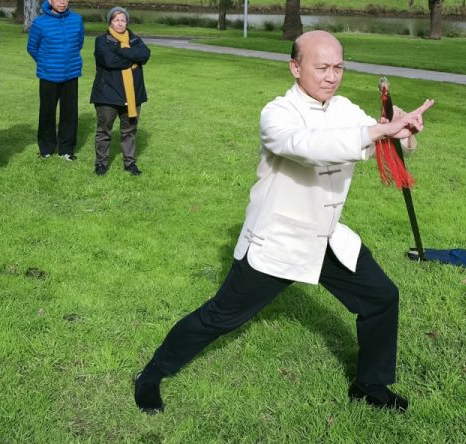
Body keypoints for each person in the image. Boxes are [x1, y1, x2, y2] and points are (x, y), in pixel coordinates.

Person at [133, 30, 434, 414]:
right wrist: (378, 130)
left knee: (381, 297)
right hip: (277, 241)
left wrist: (404, 134)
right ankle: (153, 373)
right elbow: (308, 148)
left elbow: (380, 139)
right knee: (220, 317)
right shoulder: (276, 114)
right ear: (295, 67)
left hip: (326, 238)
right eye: (321, 67)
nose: (332, 76)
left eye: (339, 67)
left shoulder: (343, 108)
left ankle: (370, 385)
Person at [90, 7, 151, 176]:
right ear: (110, 22)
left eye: (123, 20)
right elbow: (109, 61)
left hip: (132, 95)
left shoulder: (135, 39)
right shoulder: (102, 40)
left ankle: (130, 164)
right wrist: (132, 59)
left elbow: (145, 55)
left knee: (129, 131)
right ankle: (101, 164)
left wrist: (121, 51)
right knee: (104, 131)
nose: (120, 23)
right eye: (116, 20)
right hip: (107, 94)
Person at [27, 0, 85, 161]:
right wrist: (46, 62)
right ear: (50, 1)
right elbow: (32, 47)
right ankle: (46, 149)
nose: (62, 2)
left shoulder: (77, 19)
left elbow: (78, 43)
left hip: (71, 75)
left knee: (69, 113)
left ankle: (66, 150)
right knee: (47, 113)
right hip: (48, 76)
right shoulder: (40, 23)